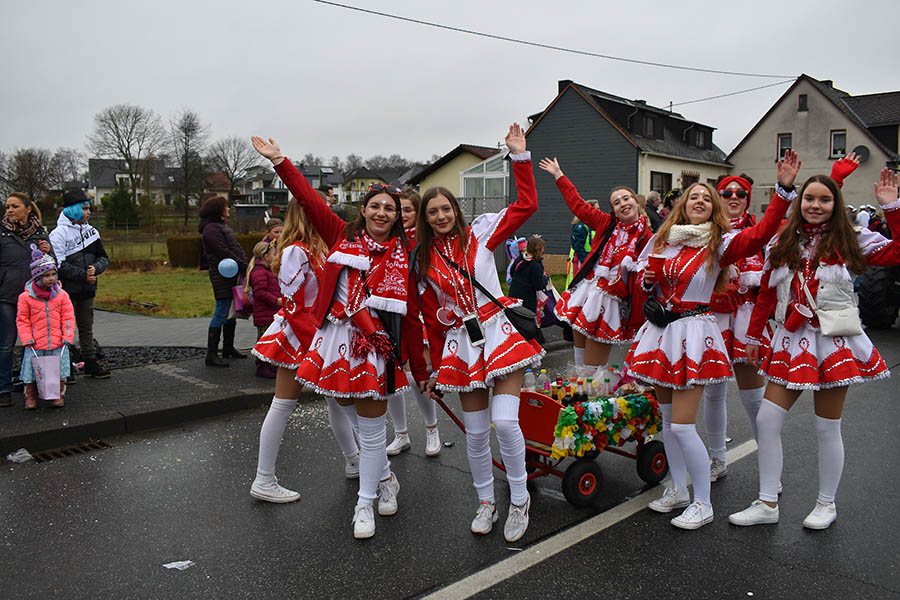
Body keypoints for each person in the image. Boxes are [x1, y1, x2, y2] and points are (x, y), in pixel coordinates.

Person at [252, 135, 429, 540]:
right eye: (375, 206)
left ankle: (364, 503)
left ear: (398, 217)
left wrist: (419, 368)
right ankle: (385, 480)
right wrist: (281, 162)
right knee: (346, 409)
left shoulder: (407, 254)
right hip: (336, 340)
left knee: (370, 430)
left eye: (390, 208)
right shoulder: (340, 236)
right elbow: (310, 200)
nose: (382, 212)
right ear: (363, 210)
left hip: (377, 346)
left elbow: (414, 316)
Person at [627, 151, 798, 530]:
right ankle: (678, 490)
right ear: (682, 207)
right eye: (694, 197)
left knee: (685, 426)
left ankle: (703, 503)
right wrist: (649, 282)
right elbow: (645, 278)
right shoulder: (666, 240)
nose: (700, 201)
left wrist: (784, 191)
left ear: (714, 208)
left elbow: (762, 233)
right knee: (669, 423)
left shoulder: (721, 243)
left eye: (708, 198)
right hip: (662, 333)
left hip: (694, 334)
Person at [728, 168, 900, 530]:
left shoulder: (853, 238)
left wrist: (892, 208)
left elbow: (897, 253)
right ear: (799, 202)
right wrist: (753, 338)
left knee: (827, 427)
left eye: (824, 199)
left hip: (834, 341)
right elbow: (767, 295)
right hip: (790, 340)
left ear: (835, 204)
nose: (815, 205)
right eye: (809, 198)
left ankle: (826, 503)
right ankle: (767, 501)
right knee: (767, 420)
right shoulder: (784, 241)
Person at [418, 123, 542, 543]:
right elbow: (434, 319)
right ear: (425, 218)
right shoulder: (425, 260)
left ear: (456, 210)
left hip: (500, 334)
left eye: (445, 209)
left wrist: (520, 157)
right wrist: (434, 367)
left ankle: (520, 498)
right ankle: (486, 501)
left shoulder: (484, 233)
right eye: (432, 212)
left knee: (505, 424)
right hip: (463, 346)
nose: (440, 216)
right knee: (474, 433)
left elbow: (527, 205)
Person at [249, 192, 338, 502]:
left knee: (338, 400)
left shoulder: (320, 248)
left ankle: (355, 461)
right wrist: (317, 342)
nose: (326, 213)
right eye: (320, 208)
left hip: (319, 333)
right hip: (301, 336)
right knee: (283, 404)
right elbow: (294, 306)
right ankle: (264, 478)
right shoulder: (295, 253)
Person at [539, 158, 651, 378]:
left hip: (612, 301)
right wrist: (559, 175)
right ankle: (578, 404)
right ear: (614, 211)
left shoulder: (649, 238)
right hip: (588, 292)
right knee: (579, 366)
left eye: (626, 198)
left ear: (637, 202)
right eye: (617, 202)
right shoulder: (606, 223)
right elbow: (578, 205)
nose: (623, 203)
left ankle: (590, 403)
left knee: (592, 373)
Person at [385, 188, 442, 458]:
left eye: (409, 210)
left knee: (419, 375)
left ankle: (432, 428)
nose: (404, 215)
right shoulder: (388, 239)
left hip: (417, 315)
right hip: (390, 317)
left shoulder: (424, 241)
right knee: (392, 377)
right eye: (400, 210)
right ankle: (401, 434)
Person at [49, 189, 110, 380]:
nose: (88, 212)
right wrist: (84, 275)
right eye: (84, 208)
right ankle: (65, 369)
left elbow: (103, 257)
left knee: (86, 327)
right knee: (65, 330)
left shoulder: (92, 231)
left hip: (88, 289)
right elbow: (59, 264)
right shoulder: (58, 234)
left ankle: (90, 363)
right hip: (67, 291)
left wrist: (96, 269)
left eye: (88, 208)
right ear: (73, 210)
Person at [1, 193, 52, 407]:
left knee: (39, 342)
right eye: (7, 206)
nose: (10, 210)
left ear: (28, 209)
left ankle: (40, 386)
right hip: (8, 296)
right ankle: (3, 390)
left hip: (35, 297)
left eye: (15, 206)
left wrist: (49, 252)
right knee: (6, 344)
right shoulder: (2, 233)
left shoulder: (40, 233)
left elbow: (51, 266)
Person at [16, 246, 75, 408]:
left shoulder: (62, 296)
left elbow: (68, 317)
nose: (51, 278)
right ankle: (30, 396)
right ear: (37, 277)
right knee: (32, 371)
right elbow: (22, 320)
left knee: (59, 371)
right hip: (35, 343)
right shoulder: (26, 298)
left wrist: (67, 336)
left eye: (53, 274)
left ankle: (58, 395)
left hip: (57, 342)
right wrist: (26, 337)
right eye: (46, 275)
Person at [198, 197, 248, 368]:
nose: (228, 208)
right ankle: (211, 353)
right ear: (217, 210)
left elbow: (234, 247)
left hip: (232, 273)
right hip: (222, 275)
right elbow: (223, 251)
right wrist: (243, 265)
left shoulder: (220, 226)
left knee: (230, 309)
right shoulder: (212, 229)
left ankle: (227, 347)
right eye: (225, 206)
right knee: (222, 308)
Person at [246, 240, 281, 378]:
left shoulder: (265, 270)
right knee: (264, 341)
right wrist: (276, 300)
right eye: (274, 254)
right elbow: (260, 293)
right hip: (265, 313)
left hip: (269, 312)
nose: (276, 256)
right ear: (266, 256)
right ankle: (262, 366)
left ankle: (268, 365)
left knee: (268, 340)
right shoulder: (260, 272)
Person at [566, 199, 599, 288]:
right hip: (581, 261)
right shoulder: (581, 226)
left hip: (590, 259)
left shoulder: (593, 226)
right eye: (597, 209)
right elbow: (578, 246)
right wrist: (586, 262)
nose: (599, 212)